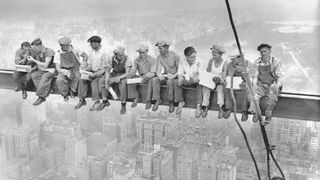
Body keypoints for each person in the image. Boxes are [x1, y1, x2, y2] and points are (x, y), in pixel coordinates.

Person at [74, 36, 110, 111]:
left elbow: (105, 68)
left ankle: (96, 101)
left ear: (96, 43)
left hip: (101, 73)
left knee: (94, 81)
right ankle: (82, 100)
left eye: (91, 43)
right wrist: (85, 70)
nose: (90, 45)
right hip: (92, 72)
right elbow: (90, 65)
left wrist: (96, 74)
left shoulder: (104, 53)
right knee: (82, 79)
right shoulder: (92, 52)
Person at [251, 43, 283, 123]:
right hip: (261, 84)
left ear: (269, 51)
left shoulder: (275, 61)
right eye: (261, 52)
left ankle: (268, 117)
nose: (263, 53)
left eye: (265, 51)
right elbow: (255, 76)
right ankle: (257, 113)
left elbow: (280, 76)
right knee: (254, 96)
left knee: (271, 98)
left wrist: (277, 85)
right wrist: (255, 85)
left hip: (272, 84)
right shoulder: (257, 62)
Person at [103, 46, 135, 114]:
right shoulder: (111, 59)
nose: (122, 56)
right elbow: (108, 71)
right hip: (114, 73)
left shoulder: (127, 59)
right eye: (120, 55)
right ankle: (105, 100)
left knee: (123, 84)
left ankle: (123, 103)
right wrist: (107, 80)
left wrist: (117, 78)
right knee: (103, 80)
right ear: (116, 55)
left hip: (123, 75)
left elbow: (127, 73)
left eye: (123, 54)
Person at [54, 37, 88, 101]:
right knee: (60, 79)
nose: (68, 46)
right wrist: (66, 73)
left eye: (69, 44)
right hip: (64, 70)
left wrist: (84, 62)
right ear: (61, 46)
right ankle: (64, 94)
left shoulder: (74, 49)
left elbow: (85, 55)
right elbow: (58, 68)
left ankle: (72, 91)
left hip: (75, 68)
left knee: (77, 76)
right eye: (66, 45)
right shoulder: (58, 53)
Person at [223, 51, 254, 121]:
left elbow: (251, 79)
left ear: (240, 58)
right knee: (227, 87)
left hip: (245, 84)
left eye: (234, 59)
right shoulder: (230, 65)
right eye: (232, 59)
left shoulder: (249, 65)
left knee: (247, 89)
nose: (232, 60)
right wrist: (226, 81)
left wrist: (243, 71)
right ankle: (228, 108)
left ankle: (244, 111)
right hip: (234, 84)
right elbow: (228, 77)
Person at [152, 40, 180, 113]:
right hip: (166, 75)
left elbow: (180, 71)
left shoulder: (175, 56)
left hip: (174, 76)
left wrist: (173, 76)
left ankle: (171, 102)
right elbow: (158, 70)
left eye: (160, 48)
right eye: (158, 48)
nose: (159, 50)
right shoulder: (160, 57)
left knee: (169, 82)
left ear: (166, 48)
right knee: (155, 80)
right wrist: (159, 75)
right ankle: (157, 99)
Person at [201, 45, 228, 118]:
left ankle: (220, 107)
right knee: (205, 88)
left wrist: (219, 80)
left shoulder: (225, 62)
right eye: (212, 54)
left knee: (220, 89)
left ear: (220, 55)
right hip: (211, 81)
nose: (213, 56)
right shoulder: (211, 60)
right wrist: (206, 78)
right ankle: (205, 106)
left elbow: (224, 75)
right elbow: (208, 71)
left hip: (219, 82)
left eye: (215, 55)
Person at [28, 38, 57, 106]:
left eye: (34, 47)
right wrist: (47, 70)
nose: (33, 49)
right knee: (34, 75)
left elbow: (46, 64)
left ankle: (41, 96)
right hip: (46, 70)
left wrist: (34, 60)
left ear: (39, 46)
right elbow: (39, 66)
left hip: (53, 69)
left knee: (45, 76)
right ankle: (48, 90)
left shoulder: (49, 51)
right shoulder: (37, 53)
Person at [176, 46, 203, 116]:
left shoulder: (199, 61)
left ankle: (198, 105)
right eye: (191, 57)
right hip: (187, 80)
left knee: (200, 84)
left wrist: (195, 78)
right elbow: (180, 73)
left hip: (196, 80)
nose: (193, 59)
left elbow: (200, 74)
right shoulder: (182, 61)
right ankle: (181, 101)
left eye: (194, 57)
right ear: (186, 57)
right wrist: (180, 79)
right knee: (177, 82)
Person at [129, 44, 157, 109]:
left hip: (150, 76)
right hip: (141, 76)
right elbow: (134, 69)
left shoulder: (152, 59)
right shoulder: (136, 59)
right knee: (130, 80)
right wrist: (131, 74)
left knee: (150, 81)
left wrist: (146, 76)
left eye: (143, 52)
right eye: (140, 52)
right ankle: (135, 97)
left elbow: (153, 73)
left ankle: (148, 101)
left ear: (147, 51)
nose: (141, 54)